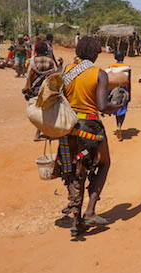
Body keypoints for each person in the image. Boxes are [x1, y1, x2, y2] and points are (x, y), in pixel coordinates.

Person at [58, 36, 127, 236]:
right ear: (94, 53)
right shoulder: (99, 74)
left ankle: (75, 217)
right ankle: (90, 211)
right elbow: (102, 106)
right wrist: (119, 106)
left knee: (74, 168)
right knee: (104, 163)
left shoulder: (68, 70)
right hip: (90, 127)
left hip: (69, 127)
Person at [23, 40, 61, 140]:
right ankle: (45, 132)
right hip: (46, 91)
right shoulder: (49, 61)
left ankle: (38, 134)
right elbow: (54, 76)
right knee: (47, 111)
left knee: (39, 111)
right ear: (45, 50)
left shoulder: (31, 61)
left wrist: (26, 89)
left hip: (35, 91)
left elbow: (28, 76)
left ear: (35, 50)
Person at [107, 51, 131, 141]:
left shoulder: (110, 67)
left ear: (115, 58)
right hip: (123, 90)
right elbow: (129, 82)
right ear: (123, 57)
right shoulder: (127, 67)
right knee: (123, 109)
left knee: (117, 109)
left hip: (113, 91)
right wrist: (129, 94)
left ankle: (118, 125)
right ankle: (119, 126)